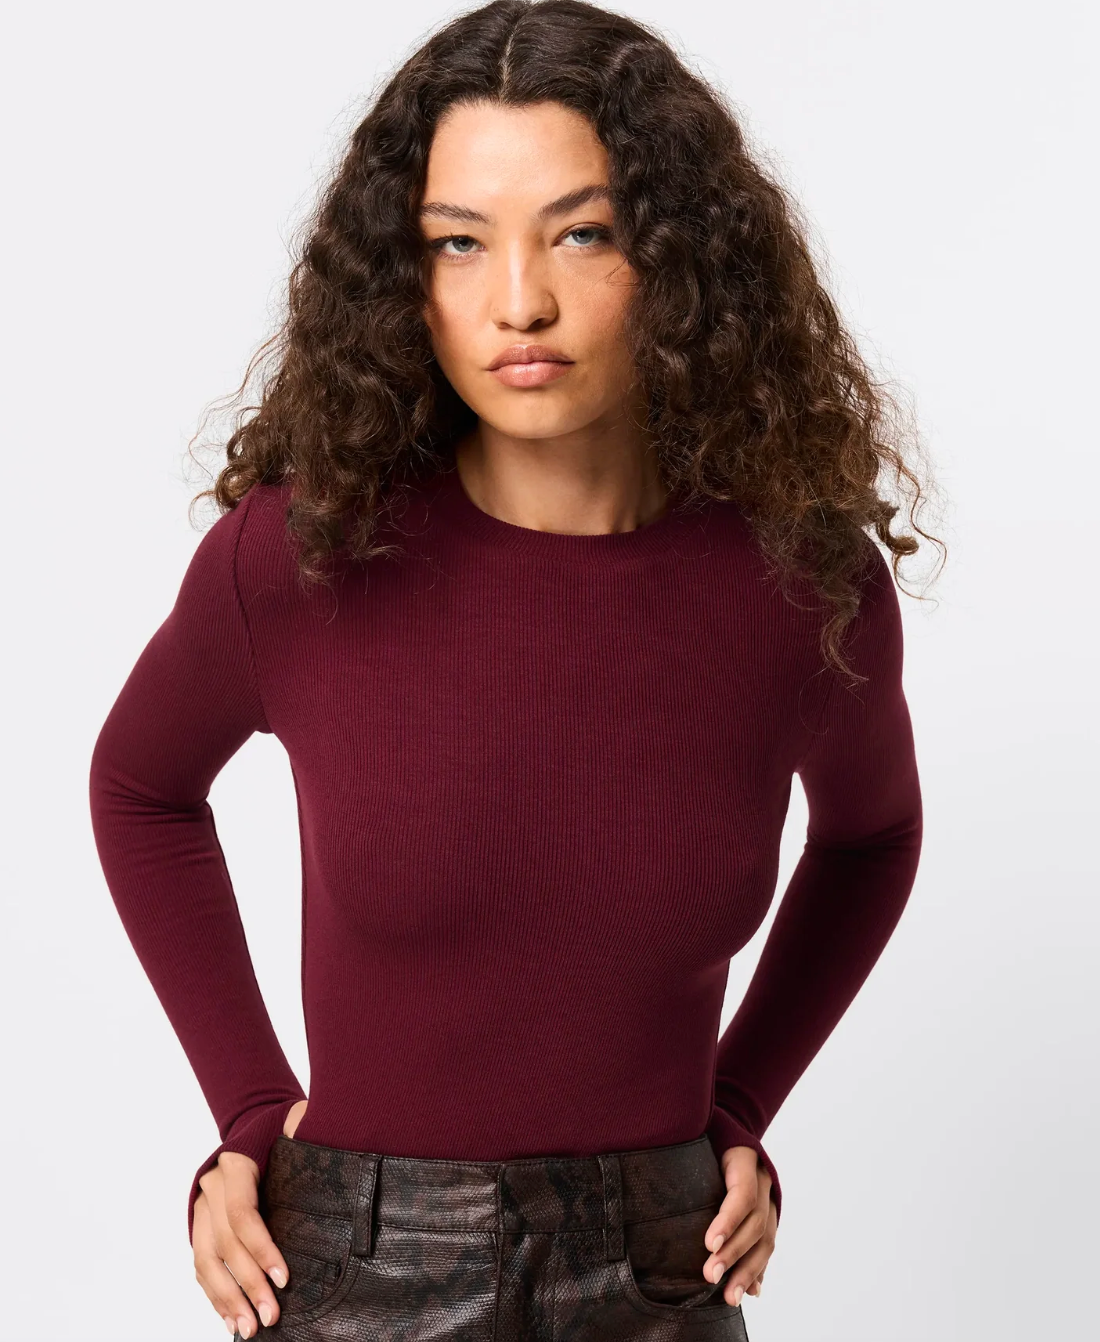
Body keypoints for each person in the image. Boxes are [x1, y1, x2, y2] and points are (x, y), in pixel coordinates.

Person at [88, 1, 935, 1337]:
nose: (519, 301)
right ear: (400, 275)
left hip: (664, 1265)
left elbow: (873, 834)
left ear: (676, 255)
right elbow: (139, 785)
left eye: (581, 232)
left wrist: (744, 1100)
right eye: (458, 245)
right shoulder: (300, 560)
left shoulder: (802, 590)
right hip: (358, 1269)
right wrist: (249, 1107)